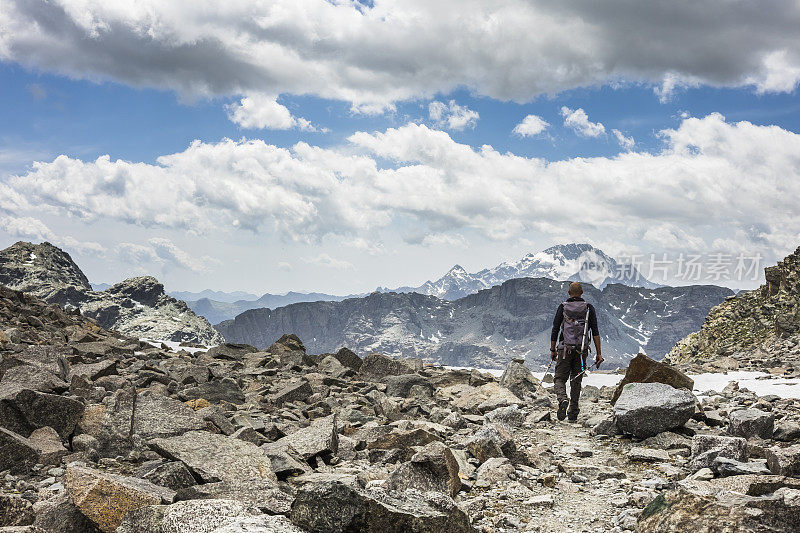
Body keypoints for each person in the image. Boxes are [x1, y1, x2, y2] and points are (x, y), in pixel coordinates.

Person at [550, 281, 603, 421]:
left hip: (564, 350)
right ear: (582, 293)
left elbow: (555, 329)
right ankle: (573, 413)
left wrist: (552, 349)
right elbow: (595, 331)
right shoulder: (588, 308)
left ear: (569, 293)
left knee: (559, 378)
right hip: (581, 351)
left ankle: (562, 399)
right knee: (576, 380)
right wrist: (599, 353)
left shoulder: (562, 307)